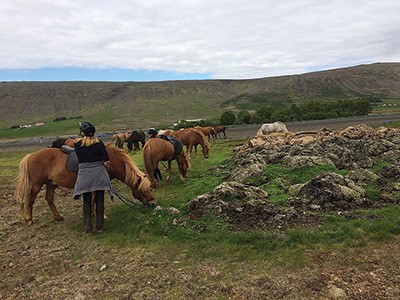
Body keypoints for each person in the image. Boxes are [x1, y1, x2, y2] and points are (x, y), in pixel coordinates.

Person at [73, 122, 110, 234]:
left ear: (82, 133)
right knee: (99, 200)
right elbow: (107, 160)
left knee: (86, 201)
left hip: (84, 175)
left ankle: (88, 228)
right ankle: (99, 226)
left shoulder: (77, 145)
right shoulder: (99, 144)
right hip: (98, 174)